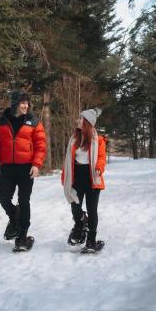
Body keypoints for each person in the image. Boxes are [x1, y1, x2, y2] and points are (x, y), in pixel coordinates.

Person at [0, 90, 46, 251]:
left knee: (24, 200)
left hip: (26, 168)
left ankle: (22, 237)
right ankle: (15, 219)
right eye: (22, 103)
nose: (26, 106)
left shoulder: (34, 121)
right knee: (4, 199)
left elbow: (41, 145)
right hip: (7, 168)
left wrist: (36, 165)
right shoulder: (1, 122)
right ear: (15, 104)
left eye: (27, 103)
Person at [61, 108, 106, 253]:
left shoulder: (98, 140)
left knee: (92, 210)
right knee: (75, 206)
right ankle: (80, 225)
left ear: (87, 123)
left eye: (81, 119)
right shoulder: (74, 139)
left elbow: (101, 157)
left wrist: (99, 167)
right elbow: (68, 160)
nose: (77, 121)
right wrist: (64, 176)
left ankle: (91, 241)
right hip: (77, 177)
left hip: (92, 177)